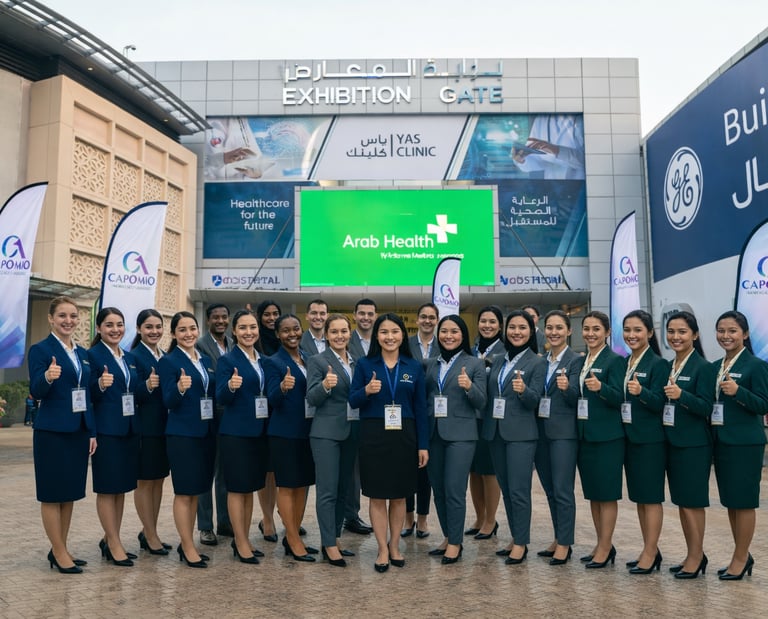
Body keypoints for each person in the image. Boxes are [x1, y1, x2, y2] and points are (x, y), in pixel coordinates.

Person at [349, 313, 429, 572]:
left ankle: (394, 546)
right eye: (384, 332)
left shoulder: (413, 366)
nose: (390, 337)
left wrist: (423, 445)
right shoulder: (364, 364)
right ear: (377, 336)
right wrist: (366, 391)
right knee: (377, 495)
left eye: (395, 331)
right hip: (373, 434)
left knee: (399, 495)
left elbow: (421, 409)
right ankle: (382, 549)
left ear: (403, 335)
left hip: (405, 435)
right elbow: (353, 400)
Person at [28, 296, 97, 574]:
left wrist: (91, 431)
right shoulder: (41, 350)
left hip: (78, 431)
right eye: (62, 316)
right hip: (52, 432)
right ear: (51, 318)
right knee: (51, 494)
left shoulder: (82, 353)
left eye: (73, 316)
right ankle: (58, 552)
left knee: (69, 493)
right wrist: (47, 376)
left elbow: (87, 395)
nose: (68, 321)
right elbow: (36, 389)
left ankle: (61, 548)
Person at [482, 310, 546, 565]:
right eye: (512, 327)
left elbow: (535, 400)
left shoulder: (537, 362)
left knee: (519, 491)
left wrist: (523, 390)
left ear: (531, 331)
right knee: (507, 490)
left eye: (522, 327)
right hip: (495, 432)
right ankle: (515, 537)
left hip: (521, 435)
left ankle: (521, 543)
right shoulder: (498, 360)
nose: (516, 332)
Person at [710, 310, 768, 580]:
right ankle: (741, 553)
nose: (726, 335)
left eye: (732, 331)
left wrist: (739, 392)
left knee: (744, 502)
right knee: (731, 502)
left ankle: (741, 558)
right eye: (721, 330)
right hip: (722, 442)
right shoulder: (716, 366)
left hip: (745, 444)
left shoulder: (756, 366)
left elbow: (763, 404)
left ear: (744, 334)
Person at [424, 315, 486, 563]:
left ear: (463, 335)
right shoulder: (430, 364)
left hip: (461, 435)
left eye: (454, 331)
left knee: (454, 490)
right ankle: (449, 536)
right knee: (438, 490)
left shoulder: (474, 364)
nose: (448, 336)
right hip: (433, 433)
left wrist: (470, 386)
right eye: (444, 331)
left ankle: (456, 543)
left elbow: (482, 401)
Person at [158, 311, 216, 568]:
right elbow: (168, 400)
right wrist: (180, 388)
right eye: (182, 330)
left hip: (206, 433)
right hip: (182, 435)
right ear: (174, 334)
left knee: (196, 492)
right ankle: (188, 546)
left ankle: (188, 542)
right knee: (184, 492)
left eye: (192, 328)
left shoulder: (204, 360)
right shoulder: (169, 362)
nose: (189, 333)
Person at [88, 307, 145, 567]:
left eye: (119, 324)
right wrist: (100, 385)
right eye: (109, 325)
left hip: (129, 430)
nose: (115, 329)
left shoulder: (128, 357)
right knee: (107, 488)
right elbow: (86, 395)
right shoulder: (92, 356)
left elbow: (134, 391)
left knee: (121, 488)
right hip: (107, 431)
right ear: (99, 328)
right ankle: (113, 543)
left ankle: (111, 538)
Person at [215, 309, 269, 565]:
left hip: (259, 432)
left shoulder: (263, 359)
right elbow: (220, 397)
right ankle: (239, 542)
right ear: (234, 331)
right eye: (243, 328)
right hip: (236, 433)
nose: (249, 332)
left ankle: (244, 538)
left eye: (253, 327)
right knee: (237, 489)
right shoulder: (227, 360)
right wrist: (230, 386)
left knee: (249, 488)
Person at [662, 311, 714, 579]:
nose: (676, 337)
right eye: (671, 331)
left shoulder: (702, 367)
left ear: (694, 335)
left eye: (682, 332)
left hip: (694, 444)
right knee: (682, 502)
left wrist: (682, 395)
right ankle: (692, 554)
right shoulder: (670, 365)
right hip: (673, 442)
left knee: (693, 503)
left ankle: (697, 556)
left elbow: (706, 407)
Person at [306, 313, 359, 567]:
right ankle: (328, 545)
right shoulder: (317, 361)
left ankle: (335, 538)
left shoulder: (356, 361)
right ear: (326, 335)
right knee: (327, 491)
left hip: (351, 432)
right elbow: (311, 398)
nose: (340, 336)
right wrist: (325, 385)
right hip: (326, 434)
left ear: (350, 333)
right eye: (334, 332)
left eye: (344, 331)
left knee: (342, 489)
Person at [263, 314, 316, 562]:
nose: (292, 334)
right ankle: (293, 539)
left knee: (302, 485)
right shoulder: (273, 362)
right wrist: (283, 387)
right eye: (285, 330)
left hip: (307, 431)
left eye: (295, 328)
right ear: (277, 334)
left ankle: (293, 535)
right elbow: (272, 398)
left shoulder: (308, 359)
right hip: (284, 433)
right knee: (287, 486)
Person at [575, 310, 624, 569]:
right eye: (587, 328)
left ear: (607, 332)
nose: (590, 333)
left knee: (607, 495)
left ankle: (606, 546)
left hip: (607, 437)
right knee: (594, 494)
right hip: (585, 435)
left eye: (596, 329)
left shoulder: (614, 361)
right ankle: (600, 543)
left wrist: (601, 388)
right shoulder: (582, 360)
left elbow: (621, 397)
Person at [621, 310, 668, 574]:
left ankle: (651, 552)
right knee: (640, 497)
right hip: (630, 438)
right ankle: (649, 548)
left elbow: (661, 402)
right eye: (627, 330)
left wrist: (642, 392)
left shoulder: (658, 364)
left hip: (650, 440)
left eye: (637, 330)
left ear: (649, 333)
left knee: (650, 498)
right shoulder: (625, 362)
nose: (632, 335)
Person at [534, 310, 580, 565]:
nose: (554, 332)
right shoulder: (541, 362)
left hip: (564, 434)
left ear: (568, 331)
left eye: (559, 328)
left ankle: (565, 543)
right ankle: (557, 537)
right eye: (549, 327)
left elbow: (576, 398)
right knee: (550, 489)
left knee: (563, 490)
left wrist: (568, 388)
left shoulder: (575, 361)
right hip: (540, 432)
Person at [130, 309, 171, 556]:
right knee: (145, 482)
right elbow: (130, 391)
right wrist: (146, 385)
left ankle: (149, 531)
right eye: (148, 327)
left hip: (165, 428)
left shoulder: (165, 356)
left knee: (158, 481)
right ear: (139, 329)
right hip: (145, 429)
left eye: (158, 326)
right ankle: (150, 534)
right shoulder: (134, 356)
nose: (154, 331)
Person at [195, 303, 233, 545]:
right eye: (215, 317)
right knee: (206, 472)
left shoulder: (233, 343)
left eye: (224, 316)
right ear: (208, 320)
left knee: (225, 472)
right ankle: (205, 526)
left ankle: (225, 522)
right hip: (208, 415)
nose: (220, 320)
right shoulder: (200, 345)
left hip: (229, 415)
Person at [466, 305, 505, 540]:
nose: (487, 326)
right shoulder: (471, 350)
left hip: (491, 419)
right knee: (474, 471)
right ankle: (479, 517)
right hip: (470, 419)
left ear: (500, 326)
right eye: (483, 321)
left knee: (489, 471)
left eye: (492, 322)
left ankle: (491, 520)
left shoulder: (504, 351)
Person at [403, 302, 440, 538]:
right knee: (407, 468)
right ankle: (408, 519)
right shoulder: (405, 344)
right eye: (423, 316)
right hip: (408, 410)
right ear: (417, 320)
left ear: (437, 320)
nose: (427, 321)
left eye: (432, 317)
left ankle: (423, 520)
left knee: (425, 470)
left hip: (434, 412)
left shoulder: (443, 344)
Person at [344, 298, 377, 535]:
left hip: (377, 414)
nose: (366, 317)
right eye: (362, 313)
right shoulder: (346, 340)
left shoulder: (381, 340)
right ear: (355, 315)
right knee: (352, 469)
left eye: (370, 314)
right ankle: (351, 515)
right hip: (351, 411)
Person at [254, 299, 282, 541]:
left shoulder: (287, 341)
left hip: (283, 412)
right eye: (267, 314)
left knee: (279, 470)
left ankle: (286, 516)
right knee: (266, 470)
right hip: (262, 414)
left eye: (275, 313)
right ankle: (267, 519)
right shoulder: (256, 343)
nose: (272, 318)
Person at [510, 114, 585, 180]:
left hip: (578, 182)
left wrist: (556, 150)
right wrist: (522, 160)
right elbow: (538, 160)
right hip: (552, 184)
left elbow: (586, 160)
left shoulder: (581, 118)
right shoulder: (540, 119)